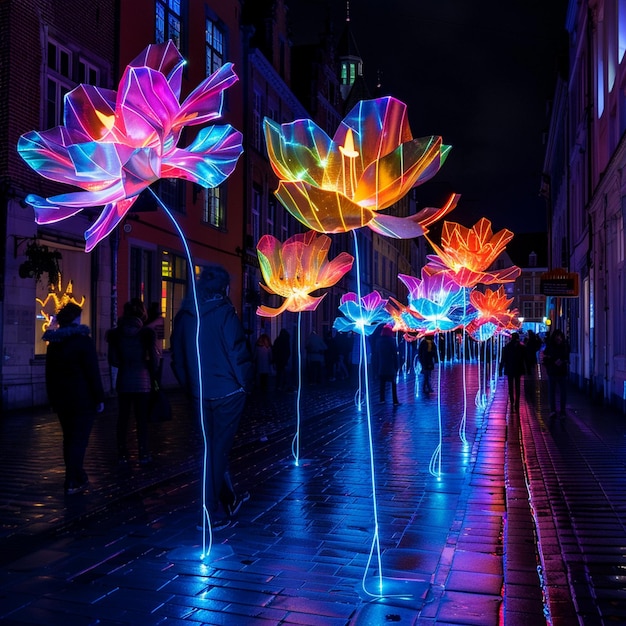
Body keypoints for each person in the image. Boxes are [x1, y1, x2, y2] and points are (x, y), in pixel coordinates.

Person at [171, 264, 253, 531]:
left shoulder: (185, 315)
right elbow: (237, 352)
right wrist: (245, 384)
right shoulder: (224, 313)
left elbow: (178, 359)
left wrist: (191, 386)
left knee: (211, 449)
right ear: (223, 288)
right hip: (228, 393)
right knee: (217, 450)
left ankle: (229, 499)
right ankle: (208, 514)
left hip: (200, 393)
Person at [43, 302, 104, 494]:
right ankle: (72, 480)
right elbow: (92, 372)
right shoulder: (83, 341)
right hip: (82, 399)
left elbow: (49, 374)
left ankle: (78, 476)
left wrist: (53, 399)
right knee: (79, 440)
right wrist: (99, 397)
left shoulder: (54, 344)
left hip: (62, 399)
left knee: (69, 439)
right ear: (76, 319)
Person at [107, 298, 159, 465]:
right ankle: (143, 453)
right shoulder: (146, 334)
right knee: (141, 419)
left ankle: (122, 453)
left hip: (124, 380)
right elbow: (154, 359)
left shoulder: (116, 334)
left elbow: (113, 360)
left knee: (123, 418)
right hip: (143, 381)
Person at [543, 329, 570, 419]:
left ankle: (562, 411)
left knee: (563, 393)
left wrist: (562, 361)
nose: (558, 338)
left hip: (561, 372)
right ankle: (553, 410)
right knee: (552, 392)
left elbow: (567, 357)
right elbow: (545, 359)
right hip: (553, 372)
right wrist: (552, 363)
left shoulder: (565, 346)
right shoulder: (551, 347)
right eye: (557, 336)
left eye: (560, 336)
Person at [499, 332, 527, 412]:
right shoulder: (521, 347)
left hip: (510, 368)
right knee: (517, 386)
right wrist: (527, 369)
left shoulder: (507, 347)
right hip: (518, 368)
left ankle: (512, 400)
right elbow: (525, 359)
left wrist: (500, 369)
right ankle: (516, 401)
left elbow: (503, 359)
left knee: (510, 385)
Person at [377, 325, 400, 405]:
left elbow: (376, 354)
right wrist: (397, 366)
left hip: (382, 365)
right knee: (393, 384)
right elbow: (395, 354)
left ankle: (382, 399)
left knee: (382, 384)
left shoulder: (379, 341)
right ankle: (395, 401)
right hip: (390, 365)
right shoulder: (391, 341)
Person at [146, 302, 165, 385]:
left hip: (151, 354)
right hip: (159, 353)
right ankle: (156, 390)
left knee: (152, 377)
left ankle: (155, 390)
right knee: (156, 378)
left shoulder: (150, 325)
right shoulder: (162, 321)